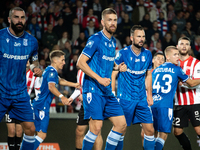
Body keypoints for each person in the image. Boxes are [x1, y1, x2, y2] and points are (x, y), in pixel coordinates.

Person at [76, 8, 127, 150]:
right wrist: (99, 79)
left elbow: (108, 63)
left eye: (115, 20)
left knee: (121, 124)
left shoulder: (113, 41)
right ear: (103, 22)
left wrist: (117, 67)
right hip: (93, 90)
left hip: (106, 91)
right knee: (96, 128)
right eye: (109, 20)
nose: (113, 23)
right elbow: (80, 63)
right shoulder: (96, 39)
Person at [0, 7, 42, 150]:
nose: (19, 20)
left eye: (22, 18)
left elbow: (34, 61)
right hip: (1, 92)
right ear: (9, 20)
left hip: (20, 93)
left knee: (30, 129)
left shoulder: (32, 41)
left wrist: (35, 68)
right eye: (16, 17)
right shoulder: (0, 37)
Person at [111, 25, 155, 150]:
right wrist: (113, 92)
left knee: (150, 130)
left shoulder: (147, 54)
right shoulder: (123, 53)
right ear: (131, 38)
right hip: (125, 98)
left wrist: (149, 95)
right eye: (138, 36)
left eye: (143, 37)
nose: (141, 39)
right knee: (121, 130)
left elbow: (148, 75)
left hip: (141, 98)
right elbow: (113, 73)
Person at [151, 45, 200, 150]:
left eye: (178, 54)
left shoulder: (156, 70)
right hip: (165, 105)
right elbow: (191, 83)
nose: (178, 57)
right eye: (175, 54)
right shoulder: (177, 69)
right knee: (163, 135)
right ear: (167, 57)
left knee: (154, 134)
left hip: (153, 104)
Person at [33, 50, 80, 149]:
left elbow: (60, 81)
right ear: (55, 60)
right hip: (42, 106)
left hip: (39, 105)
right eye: (62, 60)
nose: (64, 62)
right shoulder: (51, 71)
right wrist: (62, 97)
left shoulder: (50, 70)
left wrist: (74, 84)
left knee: (36, 135)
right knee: (41, 135)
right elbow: (51, 87)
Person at [5, 60, 41, 150]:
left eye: (28, 61)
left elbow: (38, 91)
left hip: (23, 106)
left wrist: (38, 104)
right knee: (11, 130)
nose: (26, 63)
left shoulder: (34, 75)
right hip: (11, 105)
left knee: (19, 131)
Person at [173, 37, 200, 150]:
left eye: (186, 44)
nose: (184, 46)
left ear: (189, 47)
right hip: (179, 102)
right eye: (181, 44)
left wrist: (182, 84)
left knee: (198, 130)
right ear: (177, 47)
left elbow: (196, 82)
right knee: (177, 132)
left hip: (195, 101)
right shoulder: (173, 63)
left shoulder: (196, 63)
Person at [68, 69, 103, 150]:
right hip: (84, 105)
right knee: (79, 132)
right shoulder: (80, 71)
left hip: (95, 103)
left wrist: (85, 96)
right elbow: (79, 88)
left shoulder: (96, 68)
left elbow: (99, 87)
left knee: (96, 131)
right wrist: (71, 98)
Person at [140, 51, 165, 146]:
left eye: (163, 59)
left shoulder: (166, 74)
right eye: (158, 58)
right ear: (153, 60)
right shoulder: (147, 72)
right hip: (147, 104)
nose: (160, 61)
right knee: (144, 133)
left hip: (159, 105)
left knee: (156, 133)